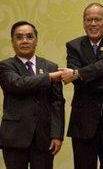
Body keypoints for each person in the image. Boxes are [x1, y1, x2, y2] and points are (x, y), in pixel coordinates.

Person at [59, 3, 103, 169]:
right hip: (83, 120)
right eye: (89, 20)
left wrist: (79, 73)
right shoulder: (74, 45)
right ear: (83, 23)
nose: (93, 24)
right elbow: (79, 84)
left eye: (97, 20)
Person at [0, 21, 65, 169]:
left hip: (44, 138)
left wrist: (57, 134)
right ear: (12, 41)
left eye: (29, 36)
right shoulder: (5, 66)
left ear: (36, 40)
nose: (25, 41)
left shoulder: (50, 66)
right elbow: (18, 84)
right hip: (15, 137)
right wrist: (49, 77)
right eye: (19, 37)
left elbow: (57, 103)